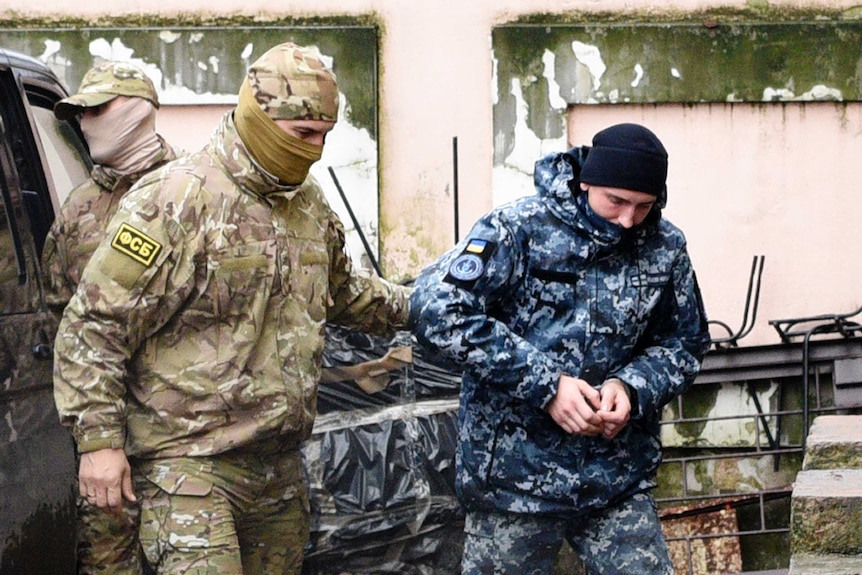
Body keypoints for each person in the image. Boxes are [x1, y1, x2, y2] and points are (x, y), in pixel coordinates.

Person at [52, 42, 411, 575]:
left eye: (324, 136)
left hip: (277, 468)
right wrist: (99, 443)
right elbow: (95, 326)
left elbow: (345, 293)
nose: (315, 150)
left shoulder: (308, 205)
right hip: (188, 463)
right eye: (302, 135)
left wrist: (426, 303)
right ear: (261, 120)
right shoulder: (175, 199)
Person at [409, 123, 710, 574]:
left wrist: (630, 388)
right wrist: (547, 386)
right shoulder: (517, 229)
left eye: (643, 206)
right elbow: (435, 309)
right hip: (513, 483)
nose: (628, 220)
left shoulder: (664, 248)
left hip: (615, 478)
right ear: (586, 180)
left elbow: (684, 341)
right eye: (616, 201)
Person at [42, 60, 181, 575]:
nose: (86, 121)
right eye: (80, 112)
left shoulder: (195, 192)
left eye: (99, 108)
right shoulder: (78, 212)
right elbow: (61, 325)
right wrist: (91, 433)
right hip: (107, 443)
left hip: (189, 439)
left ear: (141, 110)